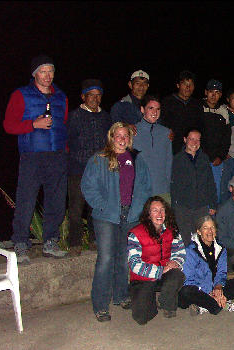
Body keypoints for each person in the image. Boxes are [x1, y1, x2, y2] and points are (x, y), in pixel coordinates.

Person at [81, 122, 152, 322]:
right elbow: (88, 186)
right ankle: (101, 305)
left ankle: (121, 295)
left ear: (130, 139)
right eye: (118, 136)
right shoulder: (99, 159)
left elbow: (146, 187)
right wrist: (103, 205)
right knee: (105, 259)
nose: (122, 140)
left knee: (123, 258)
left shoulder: (137, 159)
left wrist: (138, 210)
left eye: (125, 136)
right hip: (106, 216)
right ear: (111, 138)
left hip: (130, 215)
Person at [3, 54, 69, 264]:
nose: (48, 75)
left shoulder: (61, 97)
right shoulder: (21, 95)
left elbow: (63, 125)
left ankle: (51, 241)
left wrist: (65, 150)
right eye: (43, 71)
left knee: (56, 200)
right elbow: (8, 125)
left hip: (57, 156)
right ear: (34, 74)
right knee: (26, 199)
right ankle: (21, 243)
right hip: (32, 155)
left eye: (51, 71)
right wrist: (33, 124)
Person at [66, 78, 111, 255]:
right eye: (91, 95)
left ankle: (94, 240)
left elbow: (110, 142)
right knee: (76, 207)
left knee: (97, 208)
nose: (95, 99)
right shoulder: (74, 116)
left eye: (98, 95)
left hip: (99, 170)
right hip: (78, 169)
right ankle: (75, 244)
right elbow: (68, 141)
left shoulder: (106, 117)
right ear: (83, 96)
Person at [127, 196, 186, 324]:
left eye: (162, 210)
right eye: (155, 210)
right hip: (142, 278)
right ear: (148, 214)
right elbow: (134, 264)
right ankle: (147, 300)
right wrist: (160, 270)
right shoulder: (135, 234)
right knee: (142, 318)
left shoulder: (172, 230)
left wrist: (175, 262)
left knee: (177, 275)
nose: (159, 214)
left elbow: (180, 252)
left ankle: (166, 302)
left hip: (163, 275)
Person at [179, 216, 234, 316]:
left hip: (213, 288)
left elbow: (221, 273)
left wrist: (218, 287)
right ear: (199, 232)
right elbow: (188, 279)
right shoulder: (191, 250)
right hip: (197, 289)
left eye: (212, 227)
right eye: (205, 228)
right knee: (185, 292)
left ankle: (204, 306)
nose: (210, 231)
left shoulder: (221, 249)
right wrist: (208, 292)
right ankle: (225, 305)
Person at [170, 127, 217, 246]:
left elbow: (210, 182)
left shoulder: (204, 158)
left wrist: (212, 203)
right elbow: (173, 185)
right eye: (192, 139)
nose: (195, 143)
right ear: (185, 140)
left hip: (201, 206)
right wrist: (174, 207)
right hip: (183, 207)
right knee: (186, 240)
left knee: (202, 239)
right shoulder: (177, 159)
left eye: (198, 140)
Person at [133, 95, 173, 203]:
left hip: (162, 190)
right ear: (142, 109)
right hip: (139, 191)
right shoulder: (132, 132)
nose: (155, 112)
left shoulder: (166, 133)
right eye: (151, 108)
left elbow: (169, 162)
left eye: (158, 109)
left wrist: (168, 187)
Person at [201, 79, 231, 203]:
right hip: (200, 159)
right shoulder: (198, 107)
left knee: (216, 192)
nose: (214, 95)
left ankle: (213, 221)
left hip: (216, 162)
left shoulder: (224, 112)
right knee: (200, 191)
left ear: (221, 95)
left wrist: (221, 156)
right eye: (211, 92)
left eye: (217, 92)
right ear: (206, 92)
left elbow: (226, 137)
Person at [162, 70, 203, 154]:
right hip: (171, 150)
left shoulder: (197, 105)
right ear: (178, 85)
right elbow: (160, 123)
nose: (188, 87)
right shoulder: (167, 102)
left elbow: (200, 127)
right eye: (184, 84)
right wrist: (166, 131)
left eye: (190, 85)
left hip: (191, 150)